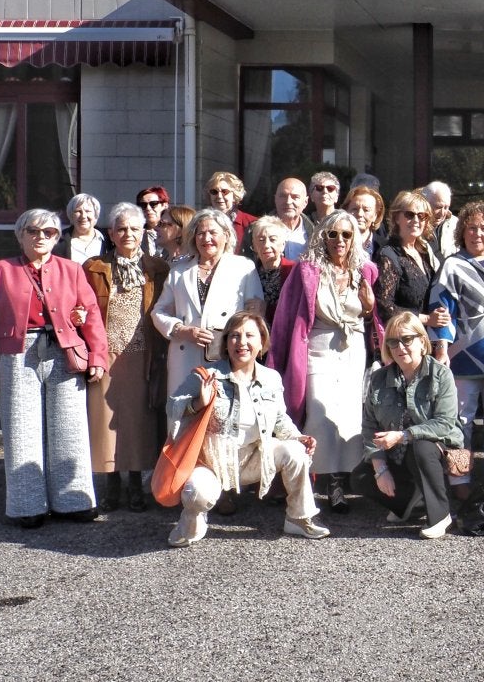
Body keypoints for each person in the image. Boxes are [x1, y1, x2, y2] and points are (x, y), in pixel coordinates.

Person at [0, 208, 109, 527]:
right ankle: (27, 505)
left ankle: (73, 501)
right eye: (33, 231)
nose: (41, 238)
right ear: (20, 235)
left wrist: (98, 358)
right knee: (22, 429)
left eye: (49, 233)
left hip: (65, 352)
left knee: (69, 429)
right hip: (18, 353)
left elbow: (91, 316)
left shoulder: (72, 270)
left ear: (58, 238)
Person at [165, 311, 329, 547]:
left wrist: (297, 437)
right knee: (195, 494)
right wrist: (197, 404)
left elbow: (280, 418)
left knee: (296, 451)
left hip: (253, 458)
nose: (242, 342)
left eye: (249, 335)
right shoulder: (207, 375)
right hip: (212, 463)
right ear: (226, 343)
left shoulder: (271, 378)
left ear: (261, 342)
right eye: (234, 336)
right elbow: (171, 406)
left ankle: (298, 517)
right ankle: (193, 519)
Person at [269, 210, 378, 514]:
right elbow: (287, 315)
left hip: (353, 348)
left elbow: (371, 316)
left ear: (355, 237)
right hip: (317, 346)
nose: (339, 240)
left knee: (347, 416)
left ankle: (338, 484)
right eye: (333, 234)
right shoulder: (307, 270)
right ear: (323, 236)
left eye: (346, 234)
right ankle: (310, 478)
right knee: (317, 411)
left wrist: (369, 307)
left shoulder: (365, 270)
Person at [82, 202, 170, 513]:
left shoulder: (158, 269)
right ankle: (111, 486)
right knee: (104, 423)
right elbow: (84, 308)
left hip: (143, 355)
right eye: (121, 229)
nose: (128, 234)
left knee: (136, 423)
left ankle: (136, 484)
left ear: (144, 232)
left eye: (134, 228)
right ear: (111, 233)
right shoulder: (94, 268)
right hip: (106, 355)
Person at [427, 200, 484, 490]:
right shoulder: (452, 265)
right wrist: (441, 348)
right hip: (463, 359)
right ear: (461, 232)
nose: (477, 233)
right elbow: (441, 308)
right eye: (471, 228)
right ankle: (460, 479)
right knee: (460, 423)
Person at [363, 312, 461, 539]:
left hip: (437, 447)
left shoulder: (440, 374)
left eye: (407, 339)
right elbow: (369, 426)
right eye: (393, 342)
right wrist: (381, 470)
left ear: (422, 341)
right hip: (397, 450)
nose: (400, 347)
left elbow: (445, 423)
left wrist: (404, 435)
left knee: (421, 448)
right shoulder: (379, 378)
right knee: (360, 479)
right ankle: (407, 502)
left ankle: (440, 516)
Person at [151, 207, 264, 396]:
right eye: (200, 233)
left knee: (222, 415)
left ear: (226, 236)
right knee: (183, 415)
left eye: (213, 232)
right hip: (184, 356)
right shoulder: (178, 271)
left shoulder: (244, 268)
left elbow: (254, 316)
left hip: (225, 355)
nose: (206, 238)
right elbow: (159, 312)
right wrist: (182, 330)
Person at [376, 190, 450, 332]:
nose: (416, 220)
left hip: (425, 337)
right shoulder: (388, 255)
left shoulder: (424, 253)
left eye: (422, 216)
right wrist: (426, 319)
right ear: (397, 217)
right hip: (402, 338)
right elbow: (384, 306)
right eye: (409, 215)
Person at [249, 215, 297, 326]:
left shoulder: (294, 272)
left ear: (283, 244)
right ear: (254, 246)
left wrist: (267, 309)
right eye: (261, 240)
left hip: (284, 334)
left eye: (273, 239)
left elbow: (297, 310)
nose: (266, 245)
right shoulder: (248, 273)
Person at [59, 193, 111, 263]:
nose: (83, 216)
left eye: (88, 211)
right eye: (78, 211)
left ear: (96, 215)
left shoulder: (108, 240)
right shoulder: (59, 240)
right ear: (71, 215)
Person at [207, 170, 256, 243]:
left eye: (224, 192)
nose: (219, 196)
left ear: (235, 195)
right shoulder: (202, 223)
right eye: (214, 192)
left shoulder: (251, 223)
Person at [273, 177, 314, 261]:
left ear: (305, 202)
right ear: (275, 199)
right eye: (283, 196)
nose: (288, 201)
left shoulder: (316, 234)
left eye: (295, 197)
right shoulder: (258, 231)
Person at [343, 183, 387, 256]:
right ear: (346, 211)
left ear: (375, 215)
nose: (360, 214)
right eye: (354, 209)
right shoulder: (336, 243)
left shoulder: (385, 247)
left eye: (366, 210)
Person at [423, 180, 458, 264]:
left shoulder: (457, 224)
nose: (442, 213)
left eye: (446, 207)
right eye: (438, 207)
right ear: (425, 203)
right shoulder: (415, 226)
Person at [136, 185, 170, 258]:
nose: (148, 208)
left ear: (165, 205)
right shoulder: (136, 233)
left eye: (153, 204)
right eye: (143, 205)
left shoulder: (173, 231)